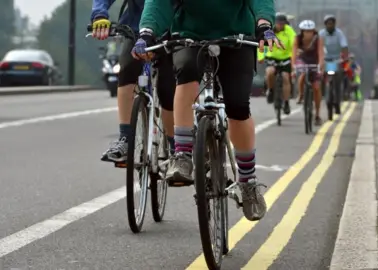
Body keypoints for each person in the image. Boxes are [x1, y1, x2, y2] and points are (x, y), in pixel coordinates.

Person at [131, 0, 279, 221]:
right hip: (189, 35)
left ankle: (248, 182)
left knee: (238, 106)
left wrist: (264, 24)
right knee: (186, 77)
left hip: (237, 36)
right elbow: (158, 3)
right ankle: (182, 154)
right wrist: (147, 32)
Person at [90, 0, 176, 163]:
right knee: (126, 72)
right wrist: (100, 14)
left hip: (170, 31)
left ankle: (176, 148)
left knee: (168, 88)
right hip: (136, 30)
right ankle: (125, 139)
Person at [257, 13, 296, 115]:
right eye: (278, 24)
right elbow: (262, 44)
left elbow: (294, 43)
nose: (280, 26)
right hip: (272, 57)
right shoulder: (269, 31)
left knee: (285, 77)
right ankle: (270, 90)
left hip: (285, 57)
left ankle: (286, 102)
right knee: (270, 72)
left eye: (282, 24)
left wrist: (294, 55)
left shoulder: (289, 30)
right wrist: (260, 57)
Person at [291, 19, 324, 125]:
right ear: (302, 31)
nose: (308, 33)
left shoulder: (318, 39)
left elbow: (321, 53)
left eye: (310, 31)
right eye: (306, 31)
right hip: (303, 60)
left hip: (314, 61)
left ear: (313, 31)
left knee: (317, 87)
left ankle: (317, 114)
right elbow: (294, 52)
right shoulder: (297, 38)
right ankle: (301, 95)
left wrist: (320, 65)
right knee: (303, 74)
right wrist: (293, 67)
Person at [319, 14, 348, 115]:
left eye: (332, 24)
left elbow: (344, 46)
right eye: (328, 24)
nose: (330, 25)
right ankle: (323, 92)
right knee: (321, 77)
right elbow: (318, 46)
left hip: (336, 60)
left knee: (338, 82)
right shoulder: (321, 34)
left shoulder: (339, 33)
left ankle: (338, 102)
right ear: (325, 24)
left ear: (334, 24)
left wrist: (345, 57)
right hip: (325, 60)